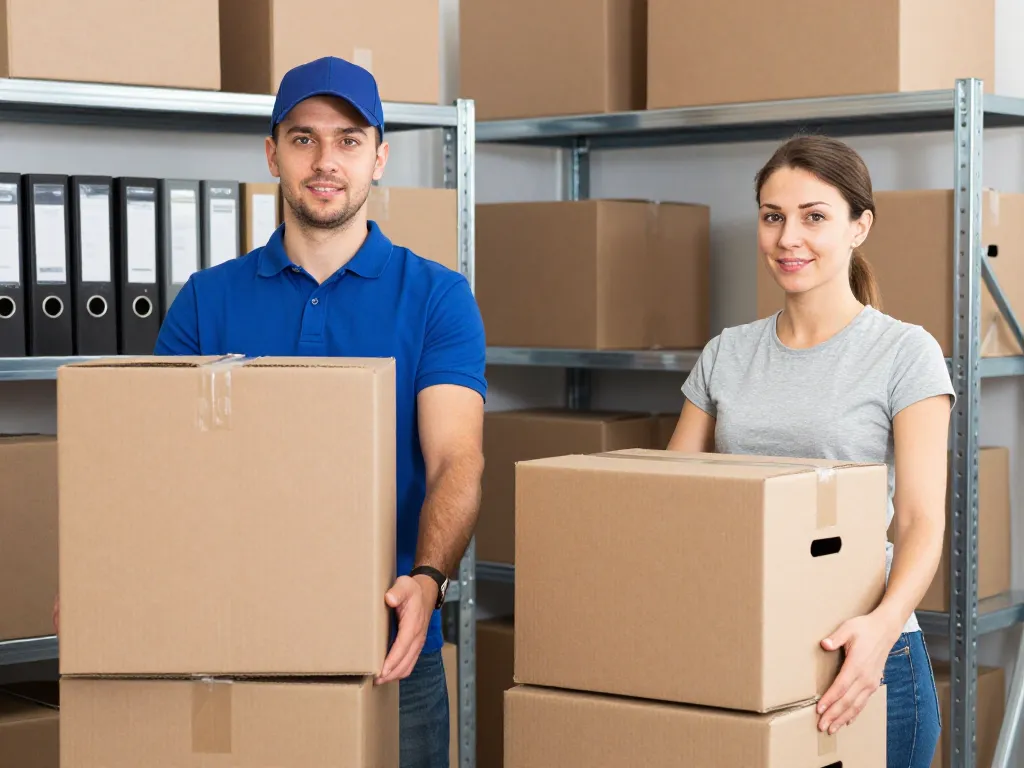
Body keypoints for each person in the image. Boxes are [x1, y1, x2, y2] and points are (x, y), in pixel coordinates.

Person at [52, 56, 485, 768]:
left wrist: (429, 579)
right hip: (228, 636)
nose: (326, 161)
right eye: (304, 138)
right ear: (272, 154)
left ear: (380, 157)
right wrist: (100, 574)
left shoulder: (437, 297)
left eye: (348, 140)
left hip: (383, 635)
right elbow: (150, 460)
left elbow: (456, 459)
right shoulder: (207, 298)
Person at [667, 135, 950, 768]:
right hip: (743, 650)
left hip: (866, 659)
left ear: (860, 227)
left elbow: (919, 521)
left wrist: (878, 632)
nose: (788, 238)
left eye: (814, 217)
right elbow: (676, 498)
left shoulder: (905, 354)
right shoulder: (726, 354)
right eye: (773, 217)